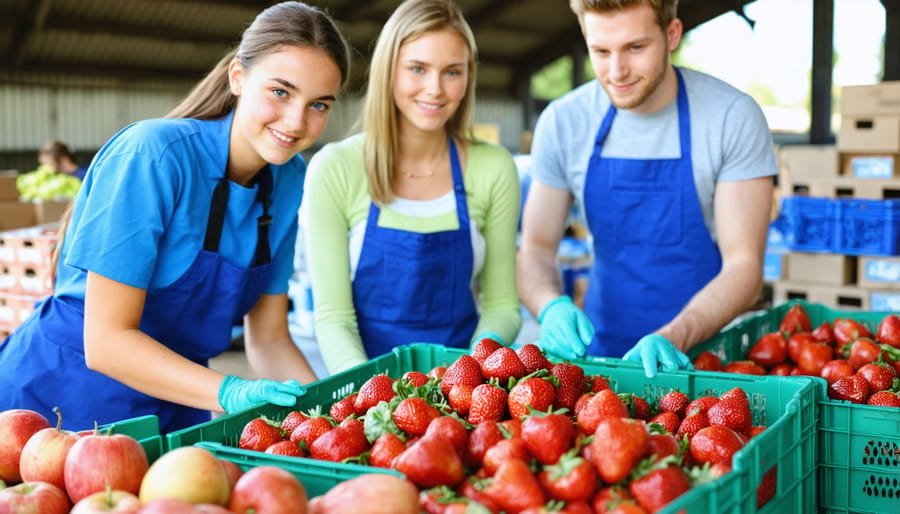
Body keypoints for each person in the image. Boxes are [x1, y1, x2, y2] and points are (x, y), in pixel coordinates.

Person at [0, 1, 352, 433]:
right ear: (238, 78)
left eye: (319, 104)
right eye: (280, 92)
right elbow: (106, 343)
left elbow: (270, 338)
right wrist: (230, 391)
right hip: (59, 401)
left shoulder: (290, 177)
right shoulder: (152, 156)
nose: (296, 121)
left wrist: (331, 422)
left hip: (177, 404)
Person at [518, 0, 776, 377]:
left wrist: (676, 335)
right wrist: (549, 305)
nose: (617, 71)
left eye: (635, 48)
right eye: (601, 51)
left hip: (705, 361)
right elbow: (536, 248)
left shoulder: (731, 117)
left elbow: (745, 268)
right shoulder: (564, 122)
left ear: (671, 35)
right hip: (600, 357)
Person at [302, 0, 521, 374]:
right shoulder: (335, 168)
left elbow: (503, 305)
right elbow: (334, 316)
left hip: (463, 390)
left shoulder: (494, 168)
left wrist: (468, 371)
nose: (435, 89)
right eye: (417, 68)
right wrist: (370, 391)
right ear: (390, 70)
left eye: (452, 72)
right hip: (366, 389)